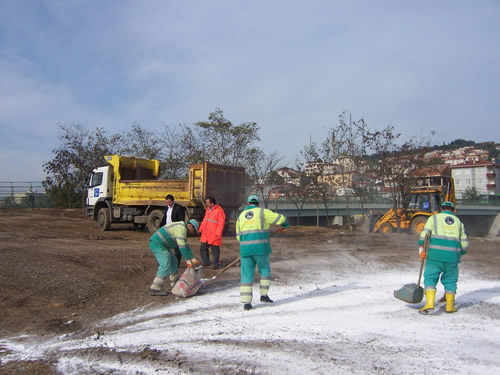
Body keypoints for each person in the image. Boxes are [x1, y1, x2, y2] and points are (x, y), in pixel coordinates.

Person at [236, 194, 289, 311]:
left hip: (245, 250)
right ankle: (264, 295)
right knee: (264, 271)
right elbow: (281, 219)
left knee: (246, 275)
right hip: (260, 249)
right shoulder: (262, 212)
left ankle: (247, 303)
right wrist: (284, 224)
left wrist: (246, 245)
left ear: (248, 204)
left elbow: (238, 236)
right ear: (258, 204)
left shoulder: (241, 216)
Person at [418, 201, 469, 314]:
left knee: (430, 278)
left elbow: (425, 235)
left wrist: (421, 250)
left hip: (435, 255)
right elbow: (464, 241)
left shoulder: (434, 218)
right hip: (452, 257)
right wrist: (462, 251)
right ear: (453, 210)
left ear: (441, 209)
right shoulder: (459, 222)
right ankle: (449, 306)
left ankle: (430, 304)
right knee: (450, 280)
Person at [148, 219, 201, 296]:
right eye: (193, 230)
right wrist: (187, 260)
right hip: (157, 244)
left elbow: (186, 245)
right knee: (165, 264)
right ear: (190, 226)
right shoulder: (181, 228)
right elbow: (182, 246)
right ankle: (155, 288)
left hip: (163, 245)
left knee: (173, 262)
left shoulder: (182, 228)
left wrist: (192, 258)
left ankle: (175, 285)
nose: (193, 233)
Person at [198, 196, 226, 269]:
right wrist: (201, 228)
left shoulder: (219, 210)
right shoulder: (208, 210)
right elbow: (205, 220)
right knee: (203, 248)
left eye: (207, 203)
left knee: (215, 250)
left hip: (214, 234)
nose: (206, 204)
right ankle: (206, 262)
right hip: (206, 233)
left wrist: (218, 233)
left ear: (212, 203)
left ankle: (216, 264)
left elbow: (221, 223)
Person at [161, 194, 187, 267]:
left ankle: (176, 264)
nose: (168, 204)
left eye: (169, 202)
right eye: (167, 202)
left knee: (177, 249)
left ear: (173, 201)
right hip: (167, 231)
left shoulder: (179, 208)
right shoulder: (167, 208)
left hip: (176, 231)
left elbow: (181, 220)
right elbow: (165, 218)